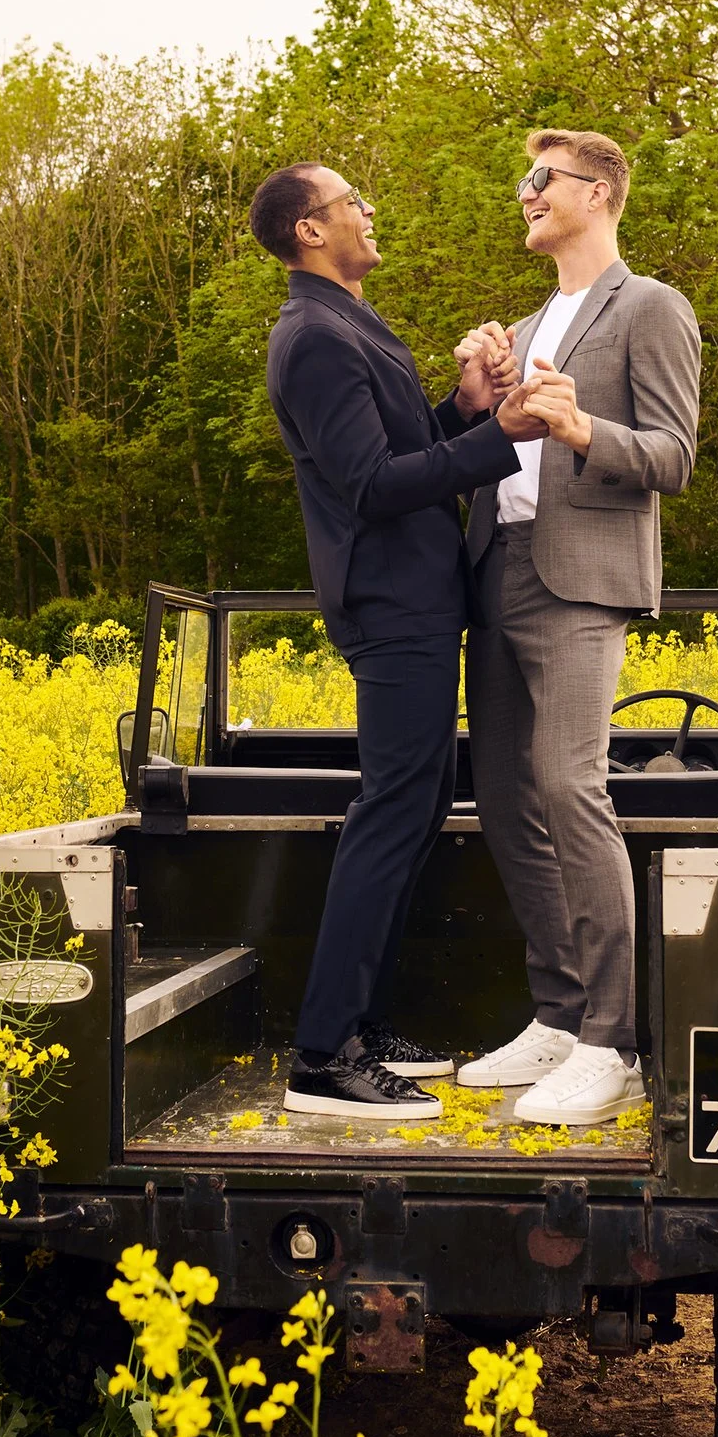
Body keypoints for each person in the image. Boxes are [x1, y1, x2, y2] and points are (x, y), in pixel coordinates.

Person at [256, 162, 543, 1119]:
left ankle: (362, 1021)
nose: (368, 211)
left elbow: (395, 450)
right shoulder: (311, 337)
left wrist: (461, 409)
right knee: (391, 814)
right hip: (391, 605)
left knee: (416, 811)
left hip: (417, 599)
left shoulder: (348, 323)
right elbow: (371, 488)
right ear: (309, 229)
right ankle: (322, 1058)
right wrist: (502, 429)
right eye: (351, 203)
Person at [453, 130, 702, 1125]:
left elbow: (675, 454)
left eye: (539, 180)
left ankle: (612, 1042)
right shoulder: (527, 320)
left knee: (569, 786)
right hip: (497, 571)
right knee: (510, 798)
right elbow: (499, 451)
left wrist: (578, 427)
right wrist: (484, 399)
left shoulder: (649, 307)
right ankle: (556, 1014)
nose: (524, 195)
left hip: (580, 580)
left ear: (596, 192)